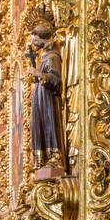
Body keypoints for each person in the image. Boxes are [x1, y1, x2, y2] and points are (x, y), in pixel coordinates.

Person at [28, 20, 66, 174]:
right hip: (40, 97)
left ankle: (54, 157)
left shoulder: (52, 56)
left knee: (49, 124)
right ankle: (43, 159)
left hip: (48, 99)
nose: (33, 43)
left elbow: (56, 79)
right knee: (39, 125)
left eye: (35, 40)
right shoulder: (42, 56)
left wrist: (40, 75)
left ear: (43, 40)